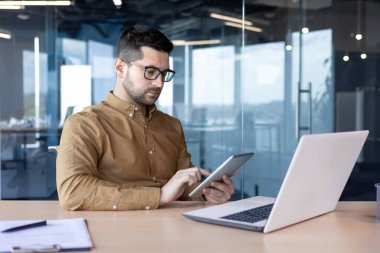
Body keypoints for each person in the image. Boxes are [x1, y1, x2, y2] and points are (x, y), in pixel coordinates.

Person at [56, 25, 235, 211]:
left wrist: (207, 192)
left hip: (173, 231)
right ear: (120, 68)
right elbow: (73, 191)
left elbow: (183, 188)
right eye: (150, 72)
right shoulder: (84, 124)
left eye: (164, 74)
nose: (159, 83)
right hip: (116, 233)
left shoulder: (171, 126)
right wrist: (159, 196)